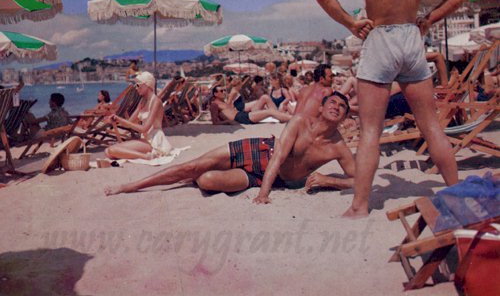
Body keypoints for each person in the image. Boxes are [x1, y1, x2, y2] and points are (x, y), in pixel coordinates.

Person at [316, 0, 470, 218]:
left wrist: (351, 23)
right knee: (432, 127)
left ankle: (360, 206)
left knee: (370, 132)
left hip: (381, 39)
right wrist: (430, 19)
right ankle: (456, 195)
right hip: (412, 37)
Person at [104, 93, 355, 197]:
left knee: (206, 180)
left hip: (266, 177)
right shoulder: (299, 122)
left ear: (344, 117)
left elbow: (360, 180)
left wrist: (330, 181)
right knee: (193, 166)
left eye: (342, 107)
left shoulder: (338, 147)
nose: (336, 107)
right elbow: (279, 156)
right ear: (321, 107)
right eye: (332, 102)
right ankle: (131, 186)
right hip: (260, 150)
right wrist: (263, 194)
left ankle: (194, 175)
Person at [104, 71, 172, 160]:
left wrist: (121, 119)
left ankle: (146, 156)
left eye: (138, 85)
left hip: (154, 141)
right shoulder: (143, 101)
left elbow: (144, 129)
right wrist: (117, 119)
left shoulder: (156, 101)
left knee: (112, 150)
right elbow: (129, 123)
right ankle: (140, 155)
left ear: (147, 85)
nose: (136, 88)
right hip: (145, 139)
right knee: (107, 152)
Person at [209, 85, 291, 125]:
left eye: (224, 90)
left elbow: (224, 114)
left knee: (269, 111)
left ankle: (286, 118)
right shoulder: (214, 104)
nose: (224, 92)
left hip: (241, 115)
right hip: (240, 118)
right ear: (215, 94)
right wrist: (227, 121)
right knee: (269, 112)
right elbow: (215, 122)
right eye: (221, 91)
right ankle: (292, 118)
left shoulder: (222, 102)